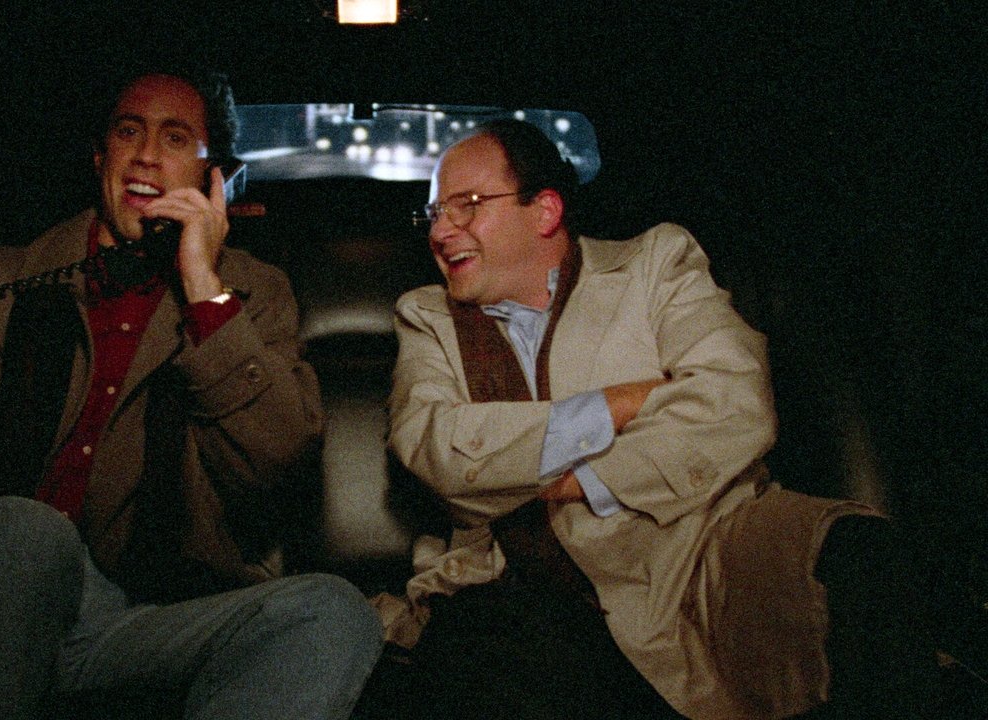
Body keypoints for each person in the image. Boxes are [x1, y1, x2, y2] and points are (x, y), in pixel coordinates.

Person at [0, 63, 381, 719]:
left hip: (138, 619)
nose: (146, 154)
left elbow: (278, 460)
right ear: (101, 156)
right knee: (28, 533)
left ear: (213, 177)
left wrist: (202, 287)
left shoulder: (247, 297)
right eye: (129, 131)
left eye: (176, 138)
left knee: (333, 610)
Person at [370, 119, 946, 719]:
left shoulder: (654, 264)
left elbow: (733, 401)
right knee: (481, 660)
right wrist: (621, 403)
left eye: (466, 205)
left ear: (544, 211)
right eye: (434, 213)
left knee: (859, 555)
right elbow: (433, 446)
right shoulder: (427, 317)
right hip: (516, 578)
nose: (441, 231)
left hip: (698, 551)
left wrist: (577, 479)